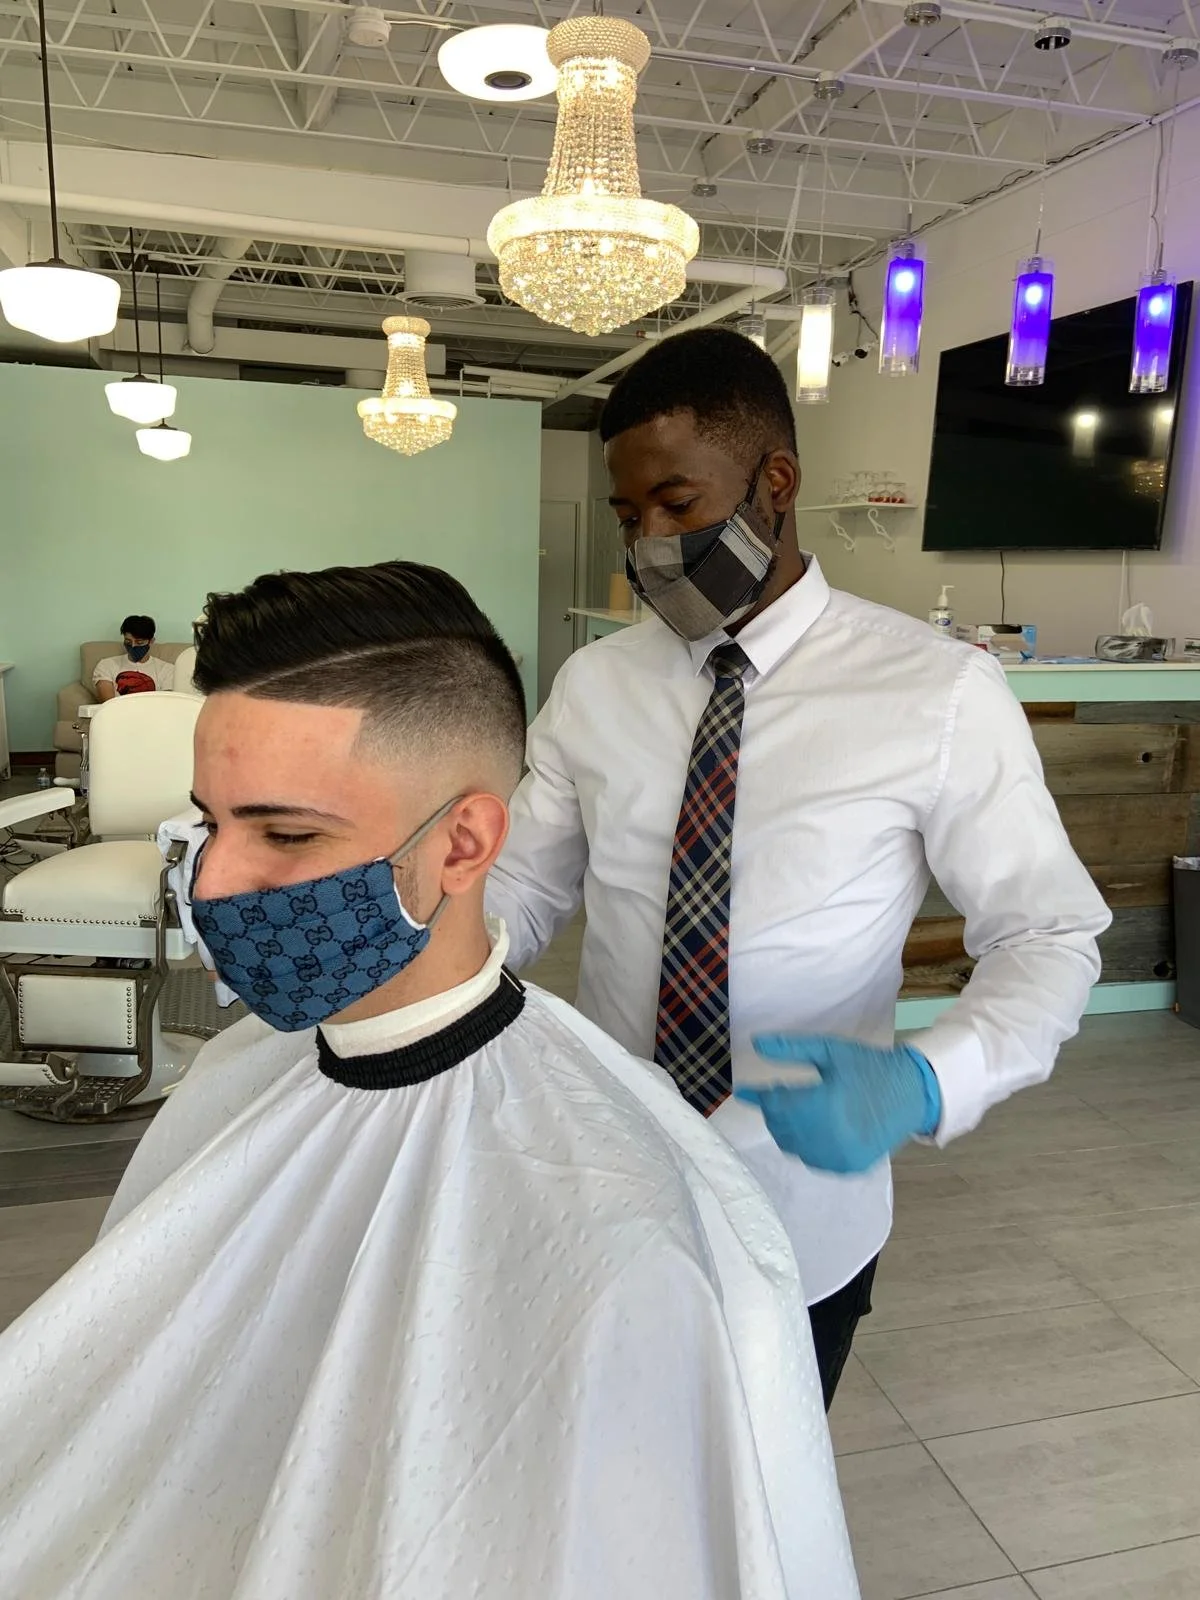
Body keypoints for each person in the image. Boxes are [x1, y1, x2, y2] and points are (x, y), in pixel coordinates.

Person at [0, 561, 860, 1600]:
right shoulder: (235, 1074)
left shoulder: (625, 1241)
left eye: (284, 832)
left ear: (462, 843)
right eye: (208, 824)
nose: (214, 883)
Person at [486, 328, 1111, 1407]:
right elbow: (528, 888)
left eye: (678, 505)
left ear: (777, 482)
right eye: (631, 518)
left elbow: (1047, 935)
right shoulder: (594, 686)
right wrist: (415, 960)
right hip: (607, 1170)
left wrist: (932, 1076)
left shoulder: (936, 693)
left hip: (804, 1204)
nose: (649, 546)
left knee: (765, 1507)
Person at [92, 612, 175, 700]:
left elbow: (166, 704)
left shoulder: (167, 670)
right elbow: (107, 704)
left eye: (139, 642)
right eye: (128, 642)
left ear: (151, 641)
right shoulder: (106, 665)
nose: (133, 646)